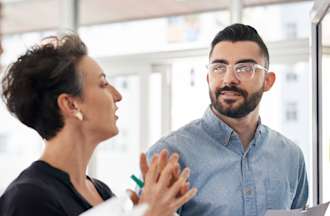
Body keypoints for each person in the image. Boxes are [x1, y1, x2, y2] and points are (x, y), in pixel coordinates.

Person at [0, 34, 197, 216]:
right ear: (71, 104)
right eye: (103, 84)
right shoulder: (27, 199)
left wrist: (160, 205)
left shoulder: (101, 193)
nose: (117, 96)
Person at [146, 23, 308, 215]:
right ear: (208, 78)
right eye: (219, 67)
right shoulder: (169, 154)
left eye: (244, 68)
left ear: (268, 81)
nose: (229, 79)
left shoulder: (291, 156)